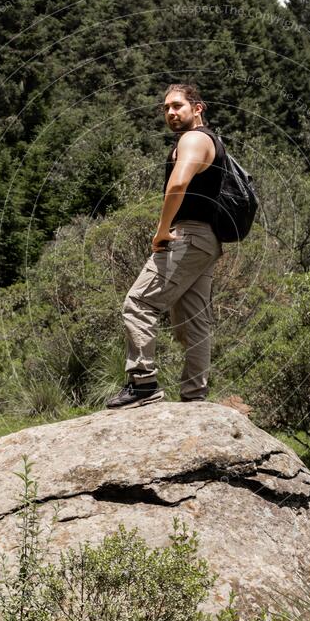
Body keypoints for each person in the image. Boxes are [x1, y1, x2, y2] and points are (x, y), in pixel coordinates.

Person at [106, 83, 225, 409]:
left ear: (197, 108)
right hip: (206, 241)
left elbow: (178, 182)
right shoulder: (211, 141)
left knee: (138, 303)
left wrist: (162, 230)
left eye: (177, 106)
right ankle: (195, 399)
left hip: (187, 236)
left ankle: (143, 384)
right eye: (166, 108)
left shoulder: (193, 139)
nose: (171, 112)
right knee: (194, 321)